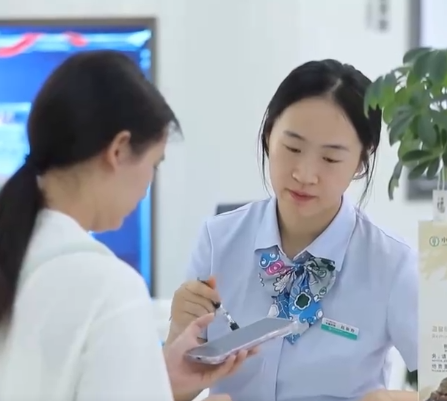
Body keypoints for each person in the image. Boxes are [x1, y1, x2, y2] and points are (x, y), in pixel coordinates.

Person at [0, 51, 252, 401]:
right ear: (119, 150)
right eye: (154, 164)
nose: (148, 185)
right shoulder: (110, 289)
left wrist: (157, 377)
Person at [167, 59, 419, 401]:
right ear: (268, 135)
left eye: (330, 159)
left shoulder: (392, 263)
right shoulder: (218, 241)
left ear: (362, 161)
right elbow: (172, 390)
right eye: (292, 148)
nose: (304, 174)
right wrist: (179, 331)